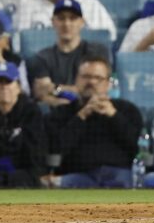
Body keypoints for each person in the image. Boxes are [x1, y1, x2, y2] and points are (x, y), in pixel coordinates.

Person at [44, 56, 143, 189]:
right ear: (76, 80)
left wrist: (114, 116)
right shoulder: (61, 113)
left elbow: (136, 147)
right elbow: (56, 147)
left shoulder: (127, 110)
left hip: (118, 175)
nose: (91, 82)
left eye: (98, 78)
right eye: (85, 76)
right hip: (77, 175)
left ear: (108, 83)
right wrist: (82, 115)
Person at [28, 0, 110, 106]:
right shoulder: (42, 57)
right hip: (56, 116)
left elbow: (97, 89)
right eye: (61, 18)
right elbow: (42, 93)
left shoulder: (97, 51)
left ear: (82, 22)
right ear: (53, 22)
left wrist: (56, 88)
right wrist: (74, 96)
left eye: (73, 18)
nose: (67, 24)